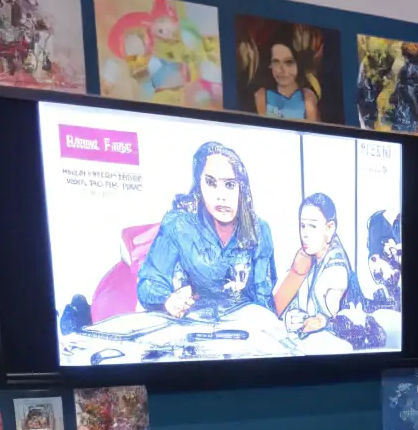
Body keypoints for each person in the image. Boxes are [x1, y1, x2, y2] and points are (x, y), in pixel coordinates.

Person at [137, 141, 276, 319]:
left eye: (230, 185)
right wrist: (168, 300)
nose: (221, 196)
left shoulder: (260, 230)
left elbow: (263, 296)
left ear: (242, 188)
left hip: (243, 330)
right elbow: (149, 282)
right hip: (191, 328)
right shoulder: (178, 225)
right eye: (211, 183)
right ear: (199, 185)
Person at [273, 193, 359, 336]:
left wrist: (321, 322)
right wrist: (290, 316)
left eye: (312, 226)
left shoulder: (336, 269)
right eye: (303, 226)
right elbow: (279, 304)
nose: (305, 234)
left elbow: (336, 321)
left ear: (330, 228)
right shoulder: (307, 257)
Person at [251, 33, 320, 121]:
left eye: (289, 62)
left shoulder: (307, 96)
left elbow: (311, 129)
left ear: (298, 64)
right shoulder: (262, 95)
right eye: (276, 62)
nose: (282, 70)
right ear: (270, 65)